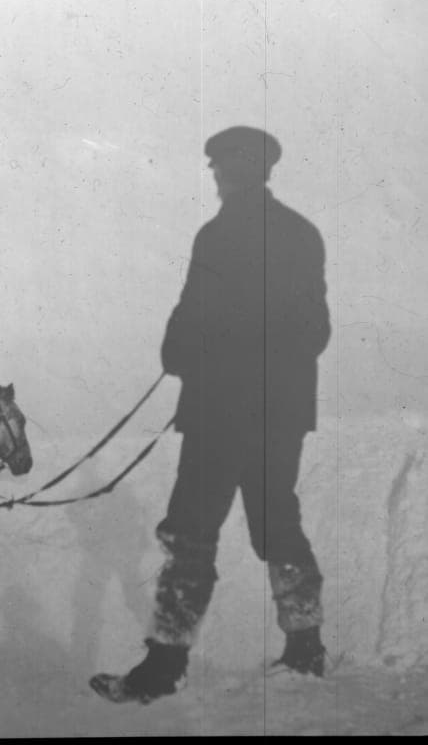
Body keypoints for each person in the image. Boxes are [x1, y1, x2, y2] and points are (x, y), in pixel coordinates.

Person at [91, 126, 332, 704]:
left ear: (240, 171)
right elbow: (315, 332)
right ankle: (306, 649)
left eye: (221, 167)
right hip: (277, 416)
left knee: (192, 533)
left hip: (220, 415)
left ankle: (164, 668)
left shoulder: (217, 236)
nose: (217, 176)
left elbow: (183, 332)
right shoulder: (300, 234)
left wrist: (204, 354)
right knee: (277, 526)